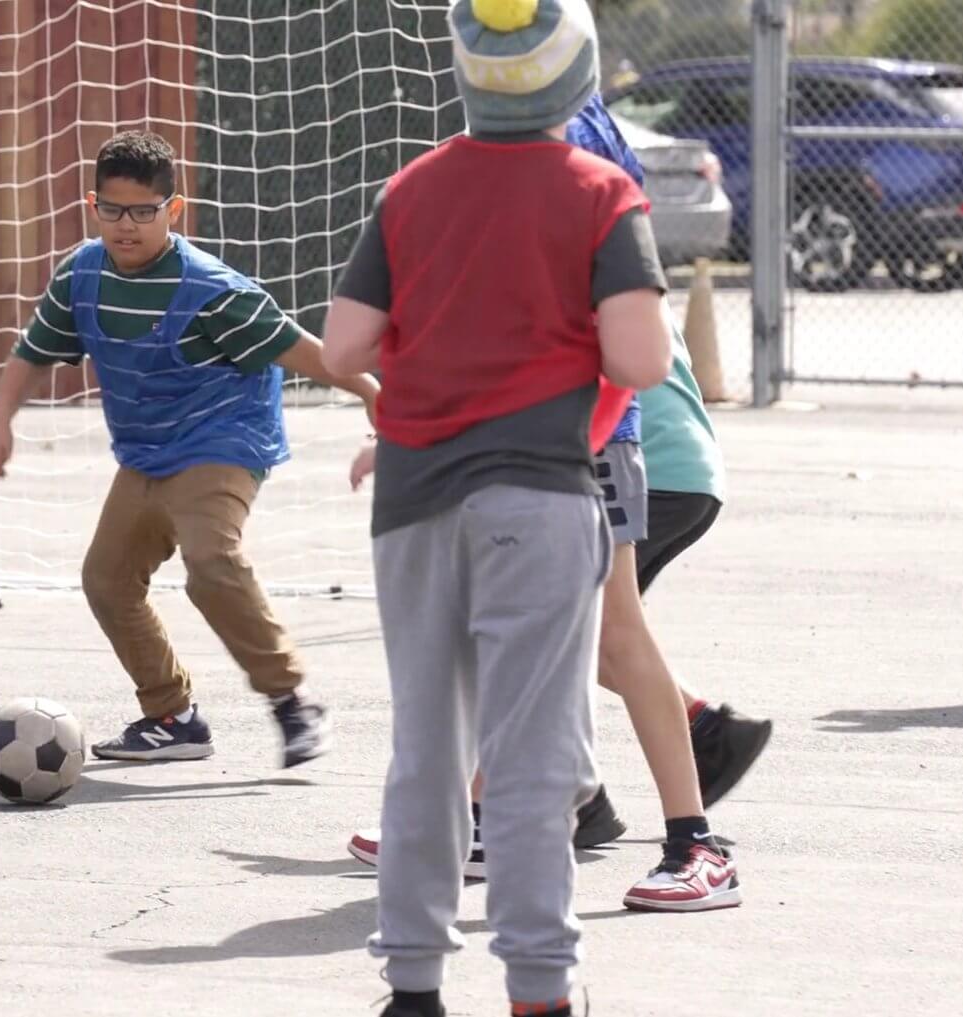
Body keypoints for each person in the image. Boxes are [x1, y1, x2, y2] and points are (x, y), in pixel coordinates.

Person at [319, 0, 670, 1011]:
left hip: (414, 498)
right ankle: (539, 986)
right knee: (531, 753)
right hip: (540, 497)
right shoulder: (601, 192)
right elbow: (639, 358)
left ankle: (413, 985)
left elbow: (343, 348)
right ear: (579, 74)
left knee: (427, 747)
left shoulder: (410, 189)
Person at [343, 94, 769, 914]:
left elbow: (568, 317)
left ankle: (696, 843)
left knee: (610, 634)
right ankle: (486, 818)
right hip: (529, 431)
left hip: (582, 435)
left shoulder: (564, 145)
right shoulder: (522, 140)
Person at [0, 130, 380, 768]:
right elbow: (33, 352)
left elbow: (301, 350)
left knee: (210, 560)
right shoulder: (82, 274)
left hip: (224, 440)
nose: (126, 225)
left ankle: (292, 702)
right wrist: (0, 421)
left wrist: (370, 390)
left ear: (175, 209)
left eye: (144, 211)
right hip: (146, 451)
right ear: (92, 205)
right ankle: (173, 718)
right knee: (107, 580)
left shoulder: (212, 291)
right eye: (113, 209)